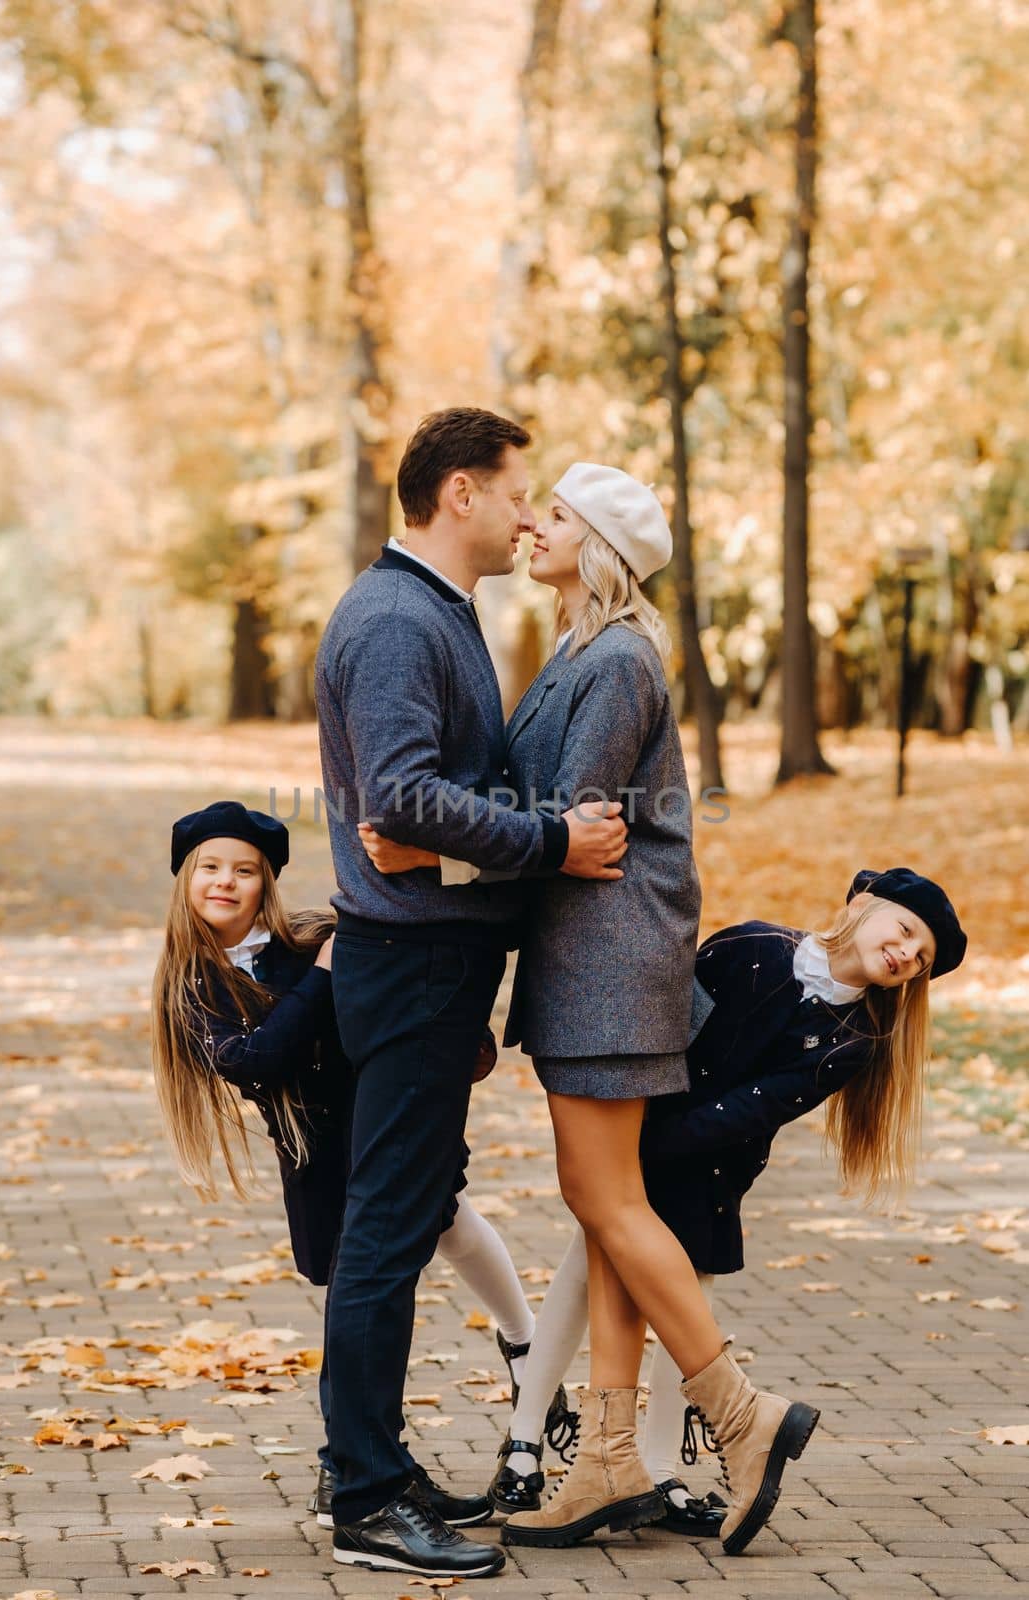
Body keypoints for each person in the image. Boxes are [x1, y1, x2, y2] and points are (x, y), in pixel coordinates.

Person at [357, 463, 822, 1558]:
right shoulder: (576, 648)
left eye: (555, 515)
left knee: (605, 1196)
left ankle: (743, 1419)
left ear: (600, 543)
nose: (532, 524)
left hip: (612, 963)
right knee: (606, 1203)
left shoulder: (613, 661)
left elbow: (571, 832)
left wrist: (436, 855)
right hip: (589, 962)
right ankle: (610, 1453)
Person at [313, 411, 628, 1579]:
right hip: (410, 969)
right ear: (459, 493)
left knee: (405, 1208)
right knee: (386, 1231)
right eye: (514, 493)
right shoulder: (399, 618)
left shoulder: (430, 610)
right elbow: (396, 797)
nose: (524, 514)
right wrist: (548, 842)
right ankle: (363, 1498)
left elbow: (420, 806)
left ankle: (372, 1465)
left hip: (430, 963)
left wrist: (479, 855)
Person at [482, 868, 966, 1534]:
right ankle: (524, 1441)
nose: (907, 954)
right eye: (906, 931)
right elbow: (662, 1024)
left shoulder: (850, 1041)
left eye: (921, 960)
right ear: (859, 903)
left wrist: (645, 1150)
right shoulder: (750, 948)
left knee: (680, 1307)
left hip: (709, 1167)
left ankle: (654, 1469)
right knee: (580, 1277)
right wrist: (623, 1133)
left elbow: (748, 1110)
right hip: (639, 1123)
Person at [149, 800, 575, 1546]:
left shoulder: (317, 935)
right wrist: (320, 979)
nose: (225, 881)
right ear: (185, 880)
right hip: (318, 1156)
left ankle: (512, 1353)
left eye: (244, 871)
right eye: (210, 868)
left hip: (383, 1118)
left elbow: (404, 992)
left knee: (441, 1223)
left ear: (266, 885)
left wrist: (452, 1039)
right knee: (361, 1295)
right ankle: (349, 1466)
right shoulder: (192, 987)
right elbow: (256, 1058)